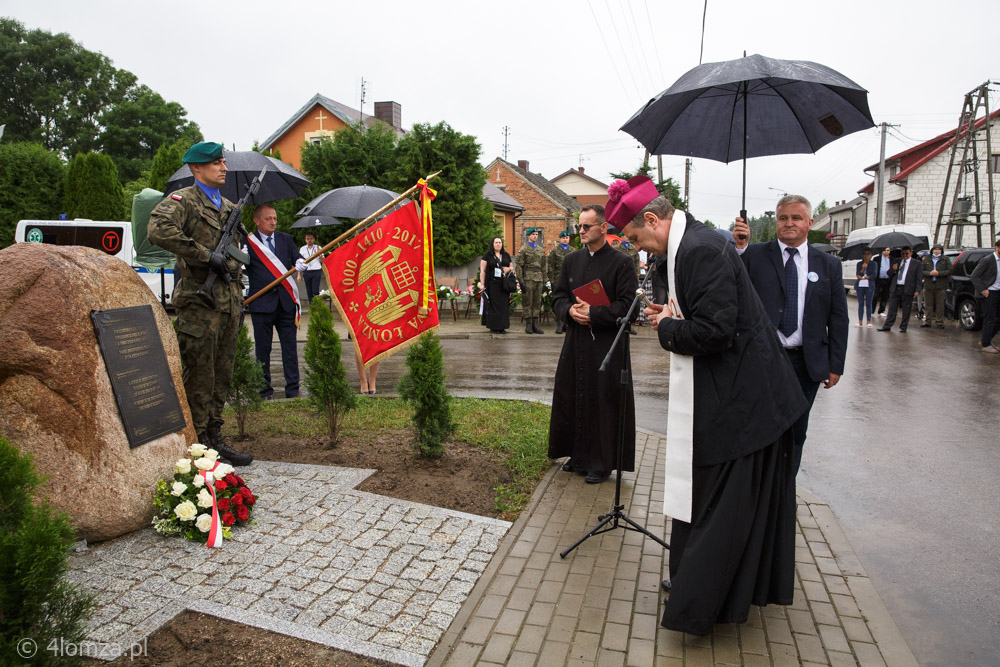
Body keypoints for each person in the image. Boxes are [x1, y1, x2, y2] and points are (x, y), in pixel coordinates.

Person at [609, 175, 806, 636]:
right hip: (730, 395)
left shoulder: (698, 250)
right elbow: (705, 315)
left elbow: (715, 333)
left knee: (722, 511)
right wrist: (673, 315)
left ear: (654, 221)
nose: (642, 250)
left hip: (747, 404)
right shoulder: (690, 244)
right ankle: (697, 585)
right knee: (705, 500)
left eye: (639, 239)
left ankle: (704, 599)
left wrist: (665, 329)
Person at [148, 141, 252, 466]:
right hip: (199, 305)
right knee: (199, 375)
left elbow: (239, 253)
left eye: (223, 161)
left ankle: (215, 437)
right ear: (196, 168)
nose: (223, 167)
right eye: (216, 163)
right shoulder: (184, 201)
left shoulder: (229, 207)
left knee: (222, 374)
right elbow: (157, 230)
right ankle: (196, 444)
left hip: (229, 305)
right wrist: (206, 255)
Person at [732, 196, 848, 477]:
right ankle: (756, 494)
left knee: (796, 432)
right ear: (776, 223)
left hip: (804, 364)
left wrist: (835, 366)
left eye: (796, 218)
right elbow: (733, 283)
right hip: (762, 359)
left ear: (809, 223)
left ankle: (784, 495)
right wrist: (739, 247)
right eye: (783, 218)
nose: (789, 223)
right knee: (758, 430)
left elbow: (838, 317)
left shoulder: (827, 265)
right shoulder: (755, 255)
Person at [547, 204, 638, 484]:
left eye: (587, 226)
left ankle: (601, 462)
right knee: (574, 394)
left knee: (603, 400)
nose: (581, 231)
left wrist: (595, 313)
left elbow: (629, 307)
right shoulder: (571, 260)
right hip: (577, 340)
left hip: (607, 344)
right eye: (579, 227)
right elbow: (558, 296)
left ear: (603, 227)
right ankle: (577, 454)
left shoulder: (621, 262)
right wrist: (569, 311)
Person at [246, 204, 301, 399]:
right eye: (268, 218)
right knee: (263, 350)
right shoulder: (248, 243)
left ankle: (293, 389)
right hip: (261, 305)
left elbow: (297, 258)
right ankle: (264, 390)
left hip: (285, 303)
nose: (273, 222)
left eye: (275, 218)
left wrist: (302, 262)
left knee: (290, 349)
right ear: (257, 221)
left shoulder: (285, 239)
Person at [878, 246, 922, 333]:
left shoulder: (916, 263)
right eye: (903, 253)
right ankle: (887, 326)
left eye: (906, 253)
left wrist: (917, 290)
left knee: (906, 309)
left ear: (911, 253)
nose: (904, 255)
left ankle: (903, 327)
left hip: (908, 288)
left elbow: (919, 278)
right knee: (892, 308)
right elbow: (889, 273)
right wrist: (893, 270)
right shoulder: (897, 261)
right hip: (896, 287)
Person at [971, 237, 1000, 353]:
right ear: (997, 247)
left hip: (998, 292)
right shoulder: (987, 260)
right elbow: (974, 276)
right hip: (989, 293)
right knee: (990, 318)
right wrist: (983, 290)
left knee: (998, 319)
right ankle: (986, 344)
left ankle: (985, 339)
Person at [515, 227, 546, 334]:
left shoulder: (541, 250)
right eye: (533, 234)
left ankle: (535, 324)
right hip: (528, 277)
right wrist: (521, 281)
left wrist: (545, 280)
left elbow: (544, 266)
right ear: (528, 236)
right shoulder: (523, 249)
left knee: (537, 301)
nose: (535, 236)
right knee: (528, 301)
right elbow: (519, 266)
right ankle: (528, 324)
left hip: (538, 277)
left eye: (536, 234)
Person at [479, 237, 513, 334]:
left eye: (500, 242)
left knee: (503, 306)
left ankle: (502, 326)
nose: (498, 244)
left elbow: (511, 267)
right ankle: (494, 327)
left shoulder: (506, 255)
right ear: (492, 244)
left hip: (504, 284)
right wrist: (482, 284)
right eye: (496, 242)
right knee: (494, 306)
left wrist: (508, 269)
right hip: (492, 284)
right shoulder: (487, 256)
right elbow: (483, 271)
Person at [920, 244, 952, 329]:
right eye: (935, 249)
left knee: (940, 304)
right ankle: (928, 321)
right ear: (932, 250)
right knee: (928, 304)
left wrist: (939, 273)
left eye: (939, 249)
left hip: (940, 285)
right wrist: (929, 273)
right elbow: (921, 270)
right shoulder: (927, 259)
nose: (937, 251)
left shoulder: (945, 259)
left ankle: (939, 322)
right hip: (928, 285)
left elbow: (950, 270)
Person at [547, 230, 572, 333]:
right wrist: (552, 281)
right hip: (558, 279)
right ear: (560, 239)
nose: (565, 239)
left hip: (570, 280)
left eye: (567, 238)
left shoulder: (573, 250)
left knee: (569, 302)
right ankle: (559, 324)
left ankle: (567, 324)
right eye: (563, 238)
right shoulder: (555, 251)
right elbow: (551, 267)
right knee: (558, 302)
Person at [299, 232, 325, 304]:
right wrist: (298, 275)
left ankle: (317, 305)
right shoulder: (302, 249)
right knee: (309, 291)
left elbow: (323, 260)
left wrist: (320, 255)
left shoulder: (318, 247)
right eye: (308, 239)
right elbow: (300, 262)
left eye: (311, 239)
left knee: (315, 291)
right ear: (305, 240)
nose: (309, 240)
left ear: (313, 239)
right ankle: (312, 307)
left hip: (316, 270)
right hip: (307, 271)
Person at [856, 248, 877, 328]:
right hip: (860, 285)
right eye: (865, 254)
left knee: (869, 303)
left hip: (869, 285)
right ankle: (860, 321)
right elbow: (858, 275)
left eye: (868, 254)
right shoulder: (859, 264)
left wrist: (866, 277)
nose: (866, 255)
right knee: (860, 303)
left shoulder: (874, 264)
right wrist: (863, 268)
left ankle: (868, 321)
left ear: (871, 255)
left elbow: (874, 275)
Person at [874, 247, 893, 316]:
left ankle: (881, 310)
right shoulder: (877, 259)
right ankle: (872, 310)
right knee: (875, 295)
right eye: (885, 250)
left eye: (887, 250)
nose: (886, 251)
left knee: (885, 295)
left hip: (887, 279)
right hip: (878, 279)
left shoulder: (892, 259)